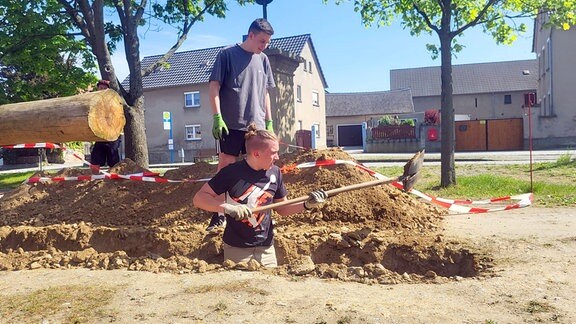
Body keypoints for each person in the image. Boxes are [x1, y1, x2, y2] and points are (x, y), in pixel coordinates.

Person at [193, 126, 327, 267]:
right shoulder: (231, 173)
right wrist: (226, 207)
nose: (277, 157)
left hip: (266, 249)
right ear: (256, 154)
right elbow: (199, 198)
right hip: (237, 250)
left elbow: (282, 208)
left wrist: (307, 204)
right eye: (273, 153)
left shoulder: (275, 173)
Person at [206, 18, 276, 231]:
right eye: (262, 41)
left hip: (257, 127)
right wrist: (217, 117)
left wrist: (269, 123)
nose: (264, 46)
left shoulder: (263, 60)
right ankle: (219, 214)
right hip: (231, 125)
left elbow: (265, 93)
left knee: (259, 168)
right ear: (251, 35)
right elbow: (214, 87)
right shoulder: (226, 55)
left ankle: (255, 212)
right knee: (225, 168)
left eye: (267, 43)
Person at [90, 80, 122, 168]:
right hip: (100, 135)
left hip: (112, 134)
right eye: (101, 88)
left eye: (105, 88)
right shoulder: (93, 100)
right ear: (97, 88)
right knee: (95, 159)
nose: (102, 90)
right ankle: (95, 177)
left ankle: (114, 179)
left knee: (113, 159)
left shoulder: (113, 101)